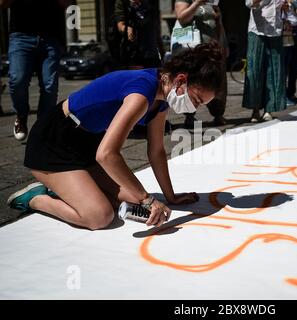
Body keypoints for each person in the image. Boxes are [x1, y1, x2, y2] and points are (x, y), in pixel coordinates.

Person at [6, 42, 224, 230]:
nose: (193, 108)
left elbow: (156, 150)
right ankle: (36, 198)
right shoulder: (142, 92)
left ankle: (71, 188)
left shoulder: (161, 99)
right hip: (54, 141)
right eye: (196, 99)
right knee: (99, 216)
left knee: (134, 204)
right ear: (181, 80)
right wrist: (148, 199)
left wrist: (170, 196)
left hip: (87, 142)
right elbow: (107, 154)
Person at [0, 0, 69, 141]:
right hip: (21, 36)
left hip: (50, 37)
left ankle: (42, 128)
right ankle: (21, 115)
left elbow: (66, 3)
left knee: (50, 86)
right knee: (17, 79)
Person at [174, 0, 228, 128]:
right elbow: (182, 18)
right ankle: (189, 115)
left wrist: (223, 43)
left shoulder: (212, 2)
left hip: (213, 48)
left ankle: (218, 113)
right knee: (194, 81)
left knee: (217, 80)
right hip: (194, 50)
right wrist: (197, 3)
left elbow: (218, 23)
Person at [243, 0, 287, 123]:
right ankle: (255, 109)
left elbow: (286, 7)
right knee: (254, 71)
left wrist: (285, 7)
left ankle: (269, 109)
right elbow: (249, 3)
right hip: (257, 30)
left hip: (275, 31)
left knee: (273, 70)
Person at [115, 0, 163, 69]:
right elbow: (120, 26)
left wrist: (162, 51)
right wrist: (128, 29)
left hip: (152, 54)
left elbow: (156, 29)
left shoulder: (150, 3)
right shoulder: (123, 2)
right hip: (134, 54)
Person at [282, 0, 297, 106]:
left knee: (294, 67)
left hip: (296, 31)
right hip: (286, 30)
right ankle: (283, 95)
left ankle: (291, 94)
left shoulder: (292, 3)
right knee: (285, 65)